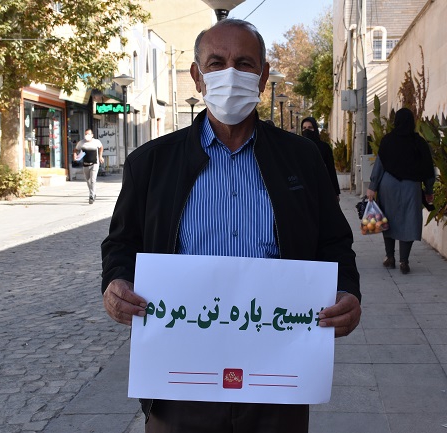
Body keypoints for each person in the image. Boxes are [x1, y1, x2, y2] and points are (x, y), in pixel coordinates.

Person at [101, 19, 361, 433]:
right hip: (180, 381)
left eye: (244, 63)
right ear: (197, 76)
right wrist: (116, 283)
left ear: (263, 76)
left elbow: (334, 242)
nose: (230, 74)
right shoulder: (150, 163)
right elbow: (121, 244)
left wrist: (346, 291)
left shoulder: (301, 159)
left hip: (277, 376)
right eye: (216, 63)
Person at [366, 107, 435, 274]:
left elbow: (379, 165)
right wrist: (429, 189)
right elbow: (428, 168)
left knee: (387, 220)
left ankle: (390, 257)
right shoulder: (419, 142)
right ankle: (404, 261)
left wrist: (372, 187)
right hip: (411, 187)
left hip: (388, 185)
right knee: (409, 221)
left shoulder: (388, 140)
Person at [301, 117, 341, 201]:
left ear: (315, 129)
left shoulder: (324, 147)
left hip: (321, 188)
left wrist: (335, 192)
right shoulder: (298, 147)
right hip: (304, 190)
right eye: (304, 128)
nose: (306, 131)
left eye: (310, 128)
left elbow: (331, 170)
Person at [74, 128, 104, 204]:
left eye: (89, 134)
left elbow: (101, 147)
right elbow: (75, 150)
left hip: (94, 164)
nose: (87, 135)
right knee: (88, 180)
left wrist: (100, 156)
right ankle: (93, 192)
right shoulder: (81, 143)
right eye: (86, 134)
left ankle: (92, 195)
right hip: (85, 164)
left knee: (93, 180)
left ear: (92, 135)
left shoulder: (96, 142)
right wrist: (75, 156)